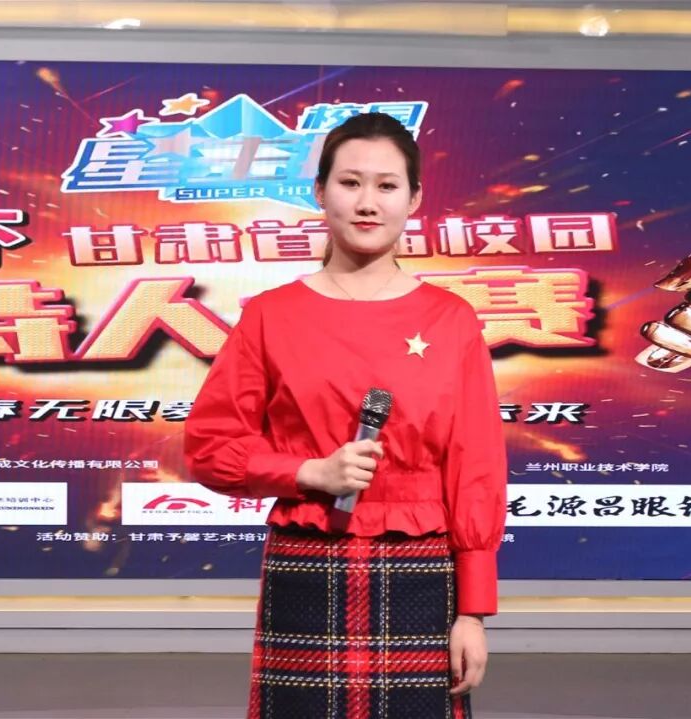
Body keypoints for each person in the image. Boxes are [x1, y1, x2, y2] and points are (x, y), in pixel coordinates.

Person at [183, 112, 507, 719]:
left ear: (414, 199)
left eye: (386, 186)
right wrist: (309, 473)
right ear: (320, 191)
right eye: (350, 182)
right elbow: (209, 448)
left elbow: (477, 467)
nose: (367, 202)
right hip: (308, 559)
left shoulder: (451, 319)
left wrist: (473, 611)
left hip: (423, 567)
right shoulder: (271, 315)